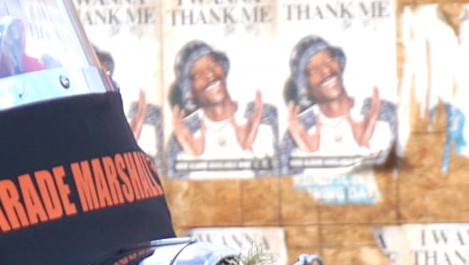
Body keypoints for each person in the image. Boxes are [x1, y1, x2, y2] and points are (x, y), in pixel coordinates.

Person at [280, 34, 396, 170]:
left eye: (329, 59)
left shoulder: (384, 112)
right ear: (304, 89)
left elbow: (411, 174)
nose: (325, 70)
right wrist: (310, 156)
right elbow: (283, 186)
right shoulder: (298, 133)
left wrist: (366, 147)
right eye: (312, 70)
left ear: (339, 65)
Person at [166, 40, 277, 177]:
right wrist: (193, 160)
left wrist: (251, 150)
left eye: (212, 64)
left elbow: (282, 190)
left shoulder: (264, 116)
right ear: (190, 93)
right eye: (197, 74)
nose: (209, 74)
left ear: (223, 69)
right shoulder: (183, 137)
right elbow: (173, 193)